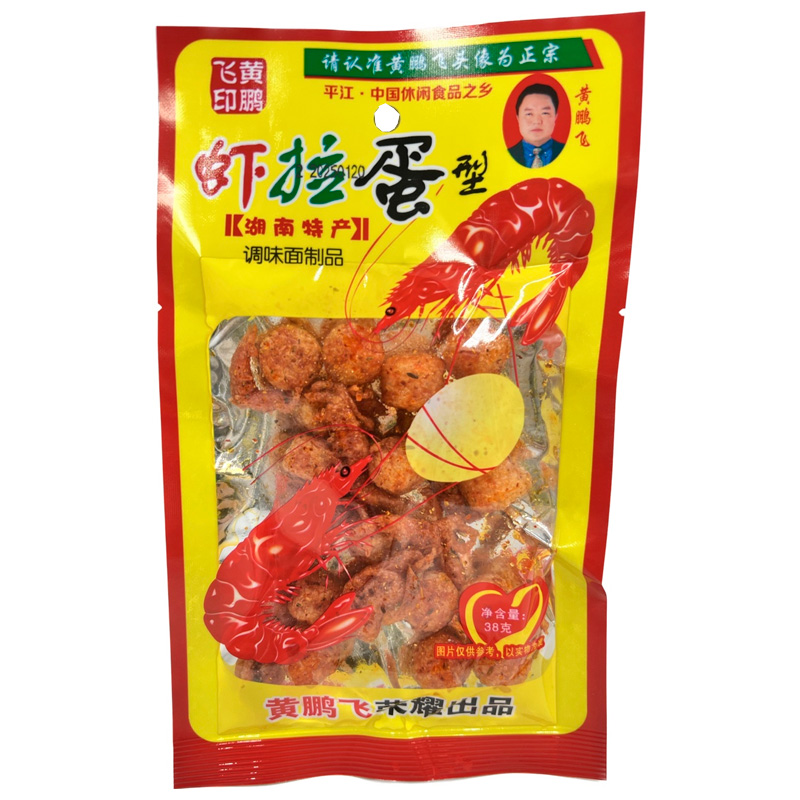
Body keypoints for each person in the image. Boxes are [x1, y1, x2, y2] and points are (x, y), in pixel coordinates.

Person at [508, 84, 564, 168]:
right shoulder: (505, 155)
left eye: (545, 113)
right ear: (518, 118)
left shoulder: (570, 152)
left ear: (555, 117)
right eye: (529, 114)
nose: (537, 121)